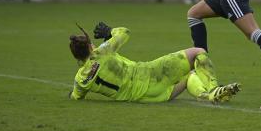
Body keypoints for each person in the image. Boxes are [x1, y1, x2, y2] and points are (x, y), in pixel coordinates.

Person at [69, 22, 241, 103]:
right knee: (198, 52)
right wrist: (110, 31)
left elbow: (76, 96)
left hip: (148, 98)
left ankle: (205, 96)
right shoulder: (102, 52)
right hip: (150, 74)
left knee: (190, 76)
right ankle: (213, 90)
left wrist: (73, 93)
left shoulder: (80, 80)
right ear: (91, 47)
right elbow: (125, 32)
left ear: (77, 57)